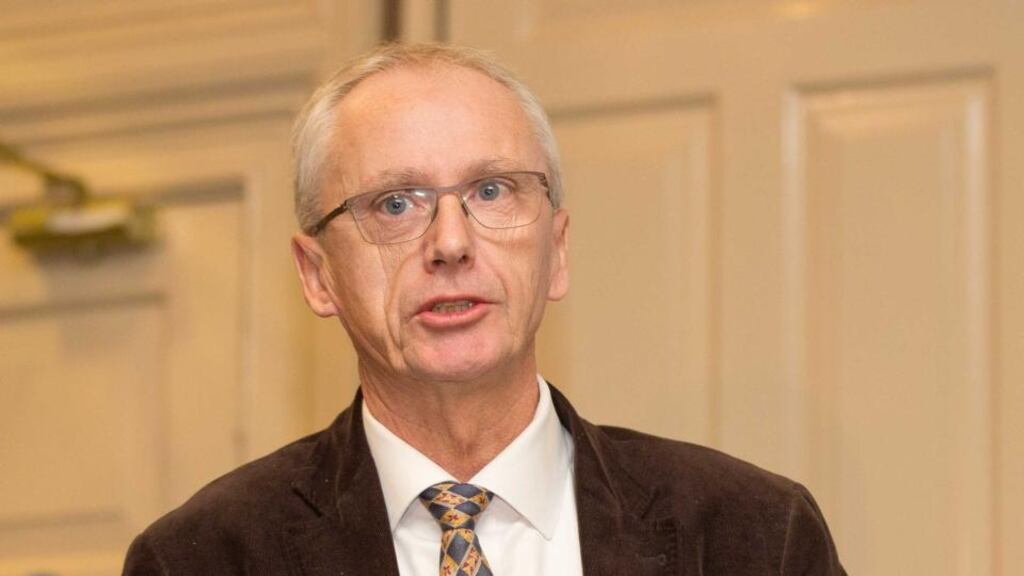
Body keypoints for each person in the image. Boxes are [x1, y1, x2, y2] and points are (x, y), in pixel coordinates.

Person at [123, 43, 846, 576]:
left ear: (556, 250)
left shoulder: (754, 538)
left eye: (492, 191)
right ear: (318, 276)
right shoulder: (200, 559)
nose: (450, 242)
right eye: (394, 204)